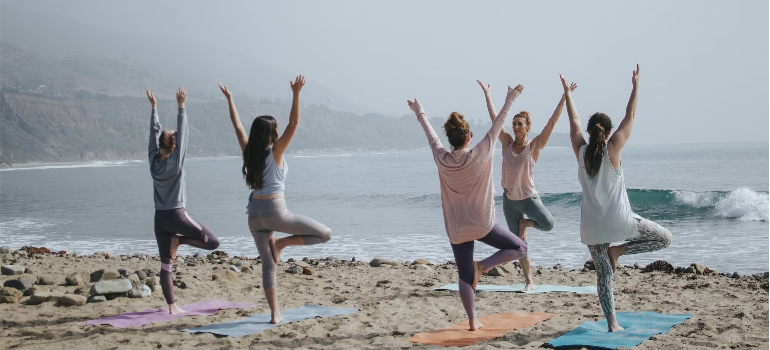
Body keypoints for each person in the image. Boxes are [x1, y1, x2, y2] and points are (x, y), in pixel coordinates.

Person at [406, 83, 528, 331]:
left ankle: (472, 322)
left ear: (450, 139)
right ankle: (482, 266)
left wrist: (419, 111)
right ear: (469, 137)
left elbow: (430, 134)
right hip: (482, 224)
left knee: (463, 276)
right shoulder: (480, 152)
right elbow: (498, 124)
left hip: (457, 228)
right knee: (520, 248)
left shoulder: (441, 157)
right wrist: (511, 97)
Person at [561, 65, 671, 332]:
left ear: (589, 132)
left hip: (592, 228)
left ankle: (612, 323)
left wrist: (568, 94)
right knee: (664, 238)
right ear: (608, 133)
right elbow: (630, 115)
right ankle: (619, 250)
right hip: (620, 222)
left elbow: (573, 123)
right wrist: (635, 86)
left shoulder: (580, 151)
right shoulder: (614, 149)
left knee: (604, 275)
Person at [219, 76, 332, 324]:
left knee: (268, 266)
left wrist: (230, 99)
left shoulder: (249, 152)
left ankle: (275, 314)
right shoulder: (276, 151)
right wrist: (296, 93)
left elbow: (237, 127)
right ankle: (281, 243)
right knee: (325, 234)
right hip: (275, 211)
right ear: (272, 132)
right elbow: (295, 123)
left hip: (253, 216)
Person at [477, 79, 577, 291]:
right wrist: (487, 94)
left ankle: (526, 224)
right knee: (520, 247)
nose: (515, 127)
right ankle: (529, 281)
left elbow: (552, 122)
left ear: (528, 127)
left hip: (530, 199)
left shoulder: (535, 146)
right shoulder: (505, 142)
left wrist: (564, 96)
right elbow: (496, 119)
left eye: (519, 124)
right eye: (513, 124)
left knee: (548, 224)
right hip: (510, 202)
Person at [147, 87, 220, 315]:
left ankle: (172, 307)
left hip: (160, 219)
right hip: (177, 216)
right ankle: (180, 242)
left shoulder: (153, 160)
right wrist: (181, 106)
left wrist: (154, 109)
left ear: (160, 145)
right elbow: (184, 131)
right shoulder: (176, 162)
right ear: (175, 146)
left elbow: (153, 133)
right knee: (213, 243)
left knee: (165, 265)